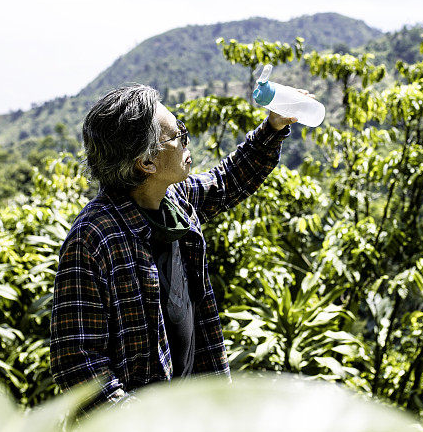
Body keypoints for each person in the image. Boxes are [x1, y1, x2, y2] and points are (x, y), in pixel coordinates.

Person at [50, 83, 299, 413]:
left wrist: (273, 127)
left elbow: (227, 182)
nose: (186, 140)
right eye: (178, 134)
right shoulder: (94, 238)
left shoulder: (172, 203)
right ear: (147, 163)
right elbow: (77, 363)